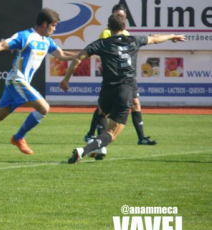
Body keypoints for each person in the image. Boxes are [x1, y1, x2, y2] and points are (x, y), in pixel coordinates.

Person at [59, 13, 186, 164]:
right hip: (124, 90)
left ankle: (99, 146)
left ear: (108, 27)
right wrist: (173, 36)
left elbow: (77, 58)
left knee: (101, 112)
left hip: (106, 90)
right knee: (112, 134)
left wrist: (66, 79)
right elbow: (155, 38)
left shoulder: (101, 43)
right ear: (125, 27)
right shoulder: (133, 40)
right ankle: (85, 150)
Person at [0, 8, 76, 159]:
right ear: (45, 24)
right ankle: (19, 137)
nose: (55, 29)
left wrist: (85, 55)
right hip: (17, 80)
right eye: (53, 25)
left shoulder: (47, 41)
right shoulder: (25, 36)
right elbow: (2, 45)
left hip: (19, 82)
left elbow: (63, 55)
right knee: (44, 107)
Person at [84, 4, 157, 145]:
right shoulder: (107, 33)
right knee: (103, 109)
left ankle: (141, 137)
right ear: (113, 16)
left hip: (128, 78)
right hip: (115, 78)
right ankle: (93, 136)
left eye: (123, 15)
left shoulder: (127, 34)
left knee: (135, 104)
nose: (120, 17)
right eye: (118, 14)